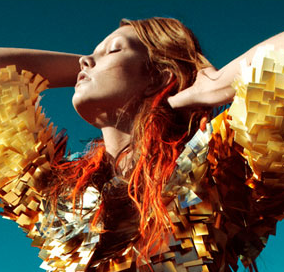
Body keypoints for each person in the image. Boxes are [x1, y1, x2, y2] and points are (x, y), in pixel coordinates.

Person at [0, 17, 284, 272]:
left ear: (159, 77)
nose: (84, 60)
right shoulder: (54, 191)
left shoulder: (217, 170)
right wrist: (93, 66)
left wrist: (217, 83)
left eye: (114, 49)